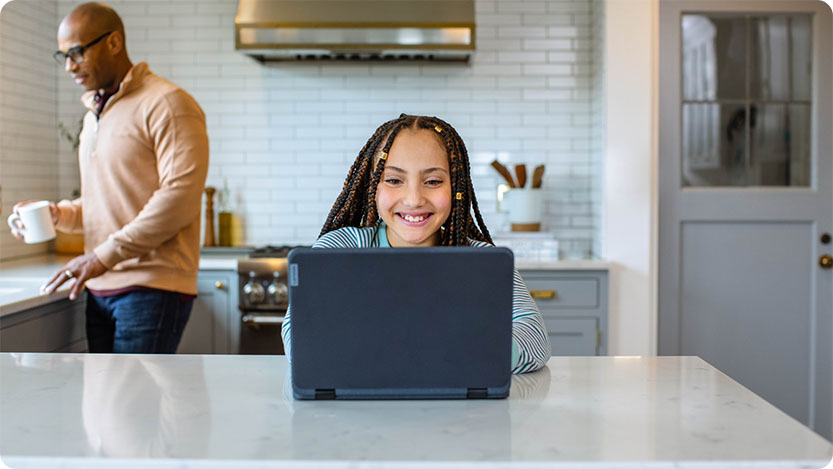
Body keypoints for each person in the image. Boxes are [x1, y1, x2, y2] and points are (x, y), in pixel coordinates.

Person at [280, 114, 550, 373]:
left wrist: (431, 357)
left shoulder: (482, 260)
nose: (413, 199)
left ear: (456, 187)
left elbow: (534, 338)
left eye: (432, 181)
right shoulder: (337, 250)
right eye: (394, 180)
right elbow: (299, 336)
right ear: (372, 186)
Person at [10, 2, 209, 353]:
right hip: (100, 285)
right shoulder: (94, 115)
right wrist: (59, 215)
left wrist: (101, 256)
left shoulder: (167, 102)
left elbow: (179, 199)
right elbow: (105, 202)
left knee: (131, 406)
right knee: (107, 406)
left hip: (152, 288)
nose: (70, 66)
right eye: (63, 56)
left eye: (77, 52)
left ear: (114, 42)